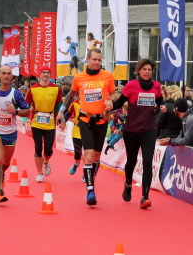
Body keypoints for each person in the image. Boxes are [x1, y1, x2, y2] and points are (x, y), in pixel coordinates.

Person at [56, 49, 116, 206]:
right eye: (94, 59)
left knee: (96, 156)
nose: (97, 62)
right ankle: (90, 190)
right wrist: (61, 112)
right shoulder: (79, 77)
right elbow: (71, 95)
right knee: (88, 155)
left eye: (99, 60)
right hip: (85, 119)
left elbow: (113, 95)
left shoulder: (108, 76)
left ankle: (91, 180)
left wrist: (111, 102)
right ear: (87, 60)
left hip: (102, 120)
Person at [108, 59, 164, 207]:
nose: (147, 72)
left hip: (149, 129)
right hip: (132, 130)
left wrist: (162, 107)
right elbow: (120, 102)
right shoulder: (131, 85)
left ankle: (145, 196)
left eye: (149, 69)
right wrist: (110, 105)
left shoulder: (156, 86)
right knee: (131, 161)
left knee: (147, 161)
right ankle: (128, 184)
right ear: (138, 71)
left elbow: (160, 101)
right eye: (144, 69)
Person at [0, 66, 31, 203]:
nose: (6, 76)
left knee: (6, 162)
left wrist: (16, 111)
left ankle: (1, 174)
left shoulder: (16, 94)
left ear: (12, 77)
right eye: (3, 73)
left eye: (9, 74)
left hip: (10, 132)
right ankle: (0, 191)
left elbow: (27, 111)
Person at [25, 68, 62, 183]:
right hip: (36, 121)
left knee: (48, 150)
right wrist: (24, 118)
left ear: (50, 75)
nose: (45, 75)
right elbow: (25, 104)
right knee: (38, 148)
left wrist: (62, 120)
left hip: (50, 122)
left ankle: (46, 161)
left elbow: (59, 105)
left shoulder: (56, 89)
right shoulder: (32, 89)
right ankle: (40, 173)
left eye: (48, 73)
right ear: (39, 75)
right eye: (43, 73)